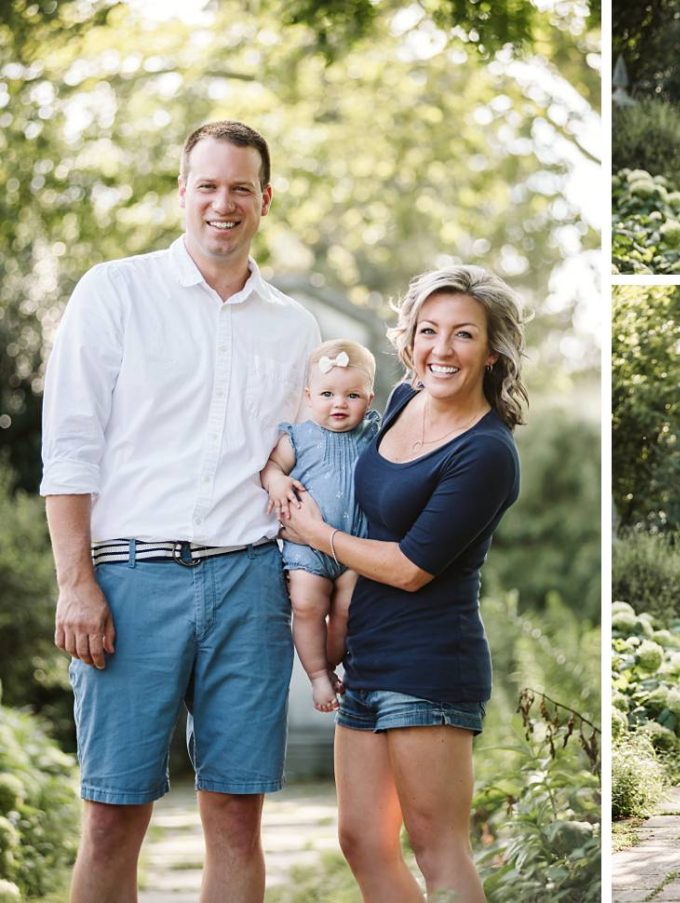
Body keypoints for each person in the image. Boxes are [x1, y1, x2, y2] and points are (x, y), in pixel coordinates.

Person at [40, 120, 320, 902]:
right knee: (111, 814)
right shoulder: (113, 291)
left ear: (264, 200)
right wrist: (76, 581)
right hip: (128, 581)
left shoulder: (295, 327)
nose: (222, 203)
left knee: (236, 814)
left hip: (249, 586)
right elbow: (69, 446)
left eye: (240, 188)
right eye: (208, 185)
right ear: (182, 192)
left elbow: (304, 459)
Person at [279, 265, 526, 901]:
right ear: (410, 339)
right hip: (367, 659)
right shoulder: (400, 403)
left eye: (463, 335)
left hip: (430, 667)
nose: (441, 350)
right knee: (361, 840)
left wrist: (316, 536)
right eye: (428, 331)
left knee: (437, 847)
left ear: (491, 351)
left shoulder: (486, 452)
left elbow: (411, 566)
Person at [261, 339, 380, 712]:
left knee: (346, 611)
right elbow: (271, 467)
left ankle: (332, 666)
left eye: (352, 395)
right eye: (328, 393)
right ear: (309, 396)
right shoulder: (299, 437)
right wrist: (277, 481)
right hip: (306, 549)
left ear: (370, 399)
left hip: (353, 548)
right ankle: (316, 675)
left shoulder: (373, 436)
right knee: (307, 605)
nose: (339, 404)